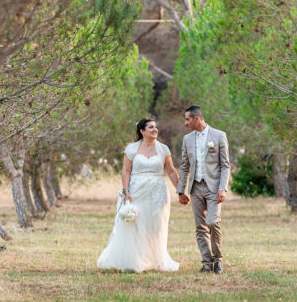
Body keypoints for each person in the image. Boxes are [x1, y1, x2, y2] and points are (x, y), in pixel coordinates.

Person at [97, 118, 180, 272]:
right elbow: (126, 171)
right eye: (150, 127)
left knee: (156, 226)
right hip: (136, 191)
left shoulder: (163, 149)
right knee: (137, 225)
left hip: (157, 192)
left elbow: (171, 171)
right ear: (142, 131)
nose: (155, 130)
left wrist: (180, 191)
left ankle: (156, 260)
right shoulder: (132, 149)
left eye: (156, 127)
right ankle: (136, 260)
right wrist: (126, 191)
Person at [176, 105, 230, 274]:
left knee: (213, 222)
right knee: (200, 227)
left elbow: (225, 165)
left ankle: (218, 260)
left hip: (214, 187)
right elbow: (184, 166)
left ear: (196, 119)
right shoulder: (187, 139)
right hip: (195, 188)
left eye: (187, 119)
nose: (185, 123)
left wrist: (223, 188)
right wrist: (181, 190)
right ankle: (207, 263)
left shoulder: (219, 136)